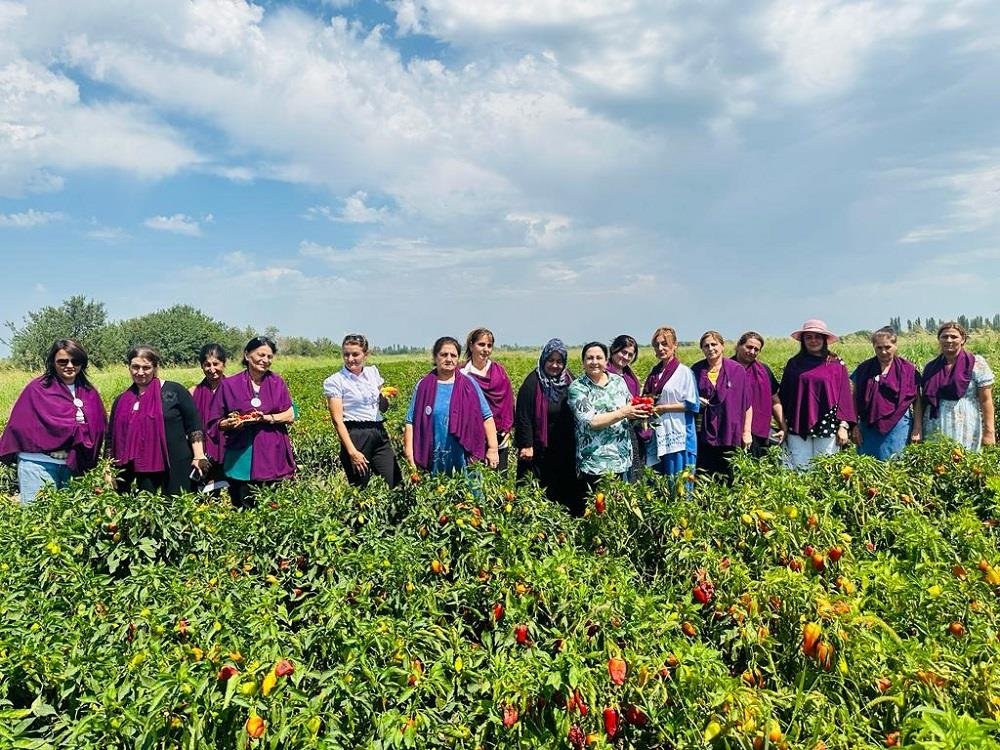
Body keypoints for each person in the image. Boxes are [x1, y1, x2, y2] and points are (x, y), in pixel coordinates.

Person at [0, 339, 107, 504]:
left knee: (71, 523)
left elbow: (99, 427)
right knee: (38, 521)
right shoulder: (37, 389)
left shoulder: (89, 392)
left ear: (82, 363)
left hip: (75, 466)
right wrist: (75, 429)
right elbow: (20, 426)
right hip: (38, 464)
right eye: (62, 361)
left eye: (75, 361)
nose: (70, 365)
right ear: (53, 362)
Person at [107, 346, 208, 496]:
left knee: (176, 508)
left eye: (146, 367)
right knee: (146, 511)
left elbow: (194, 424)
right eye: (135, 367)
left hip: (176, 464)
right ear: (129, 367)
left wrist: (199, 455)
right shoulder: (122, 400)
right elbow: (111, 437)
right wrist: (108, 467)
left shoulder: (174, 391)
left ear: (155, 367)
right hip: (141, 468)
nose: (140, 372)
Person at [209, 336, 296, 506]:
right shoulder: (229, 385)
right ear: (247, 355)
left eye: (269, 357)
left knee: (274, 509)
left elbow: (290, 414)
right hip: (241, 458)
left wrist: (267, 418)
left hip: (273, 454)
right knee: (244, 508)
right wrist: (231, 423)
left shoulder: (277, 382)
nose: (265, 360)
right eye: (261, 355)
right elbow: (215, 421)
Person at [404, 336, 499, 475]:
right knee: (436, 493)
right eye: (443, 355)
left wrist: (493, 448)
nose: (449, 359)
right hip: (433, 459)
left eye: (453, 355)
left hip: (465, 458)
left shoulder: (469, 385)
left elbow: (487, 417)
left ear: (458, 358)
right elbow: (410, 422)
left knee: (467, 495)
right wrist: (410, 456)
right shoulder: (423, 386)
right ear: (435, 357)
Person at [567, 341, 650, 491]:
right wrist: (623, 412)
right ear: (583, 362)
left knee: (619, 509)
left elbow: (630, 408)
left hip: (621, 459)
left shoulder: (618, 381)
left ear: (606, 361)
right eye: (589, 358)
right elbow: (591, 421)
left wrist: (643, 411)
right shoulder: (577, 388)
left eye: (599, 358)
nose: (594, 362)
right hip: (594, 463)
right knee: (598, 508)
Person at [514, 338, 583, 514]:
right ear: (544, 359)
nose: (555, 365)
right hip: (539, 449)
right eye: (551, 360)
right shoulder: (532, 383)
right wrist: (526, 445)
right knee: (538, 487)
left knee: (564, 488)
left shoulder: (569, 380)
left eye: (559, 361)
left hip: (564, 445)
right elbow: (523, 416)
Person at [324, 333, 402, 488]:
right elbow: (337, 420)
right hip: (355, 435)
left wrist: (384, 397)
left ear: (366, 355)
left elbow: (383, 409)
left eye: (355, 354)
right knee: (361, 488)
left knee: (395, 483)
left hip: (378, 431)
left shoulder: (373, 373)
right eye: (346, 354)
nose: (350, 359)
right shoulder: (335, 381)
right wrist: (352, 452)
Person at [778, 319, 856, 469]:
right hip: (798, 422)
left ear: (824, 339)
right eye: (809, 337)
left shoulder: (835, 364)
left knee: (825, 468)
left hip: (827, 422)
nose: (813, 341)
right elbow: (784, 396)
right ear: (803, 341)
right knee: (800, 468)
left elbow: (844, 398)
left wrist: (844, 427)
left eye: (817, 336)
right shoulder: (794, 364)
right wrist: (783, 425)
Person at [921, 321, 995, 451]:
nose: (949, 340)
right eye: (944, 336)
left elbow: (986, 400)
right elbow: (923, 401)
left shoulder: (976, 364)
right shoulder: (931, 367)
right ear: (939, 339)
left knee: (966, 463)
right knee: (937, 465)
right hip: (935, 426)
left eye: (954, 337)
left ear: (963, 339)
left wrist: (989, 431)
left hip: (966, 427)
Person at [850, 327, 922, 459]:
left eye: (888, 347)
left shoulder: (908, 370)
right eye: (879, 347)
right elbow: (853, 399)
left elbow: (917, 401)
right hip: (868, 427)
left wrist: (917, 428)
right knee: (869, 468)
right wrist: (854, 426)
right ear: (873, 347)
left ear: (895, 345)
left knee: (897, 467)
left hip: (899, 427)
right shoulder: (864, 369)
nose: (883, 351)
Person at [690, 331, 752, 480]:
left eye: (714, 344)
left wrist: (746, 432)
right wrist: (696, 401)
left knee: (729, 476)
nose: (710, 348)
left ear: (722, 346)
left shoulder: (737, 370)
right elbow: (688, 399)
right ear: (702, 349)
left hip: (729, 431)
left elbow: (747, 404)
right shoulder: (696, 370)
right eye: (706, 346)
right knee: (704, 475)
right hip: (703, 432)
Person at [642, 327, 699, 482]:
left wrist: (663, 408)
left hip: (679, 434)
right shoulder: (654, 373)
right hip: (659, 434)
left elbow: (693, 404)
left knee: (680, 483)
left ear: (675, 345)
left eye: (664, 344)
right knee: (660, 485)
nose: (660, 348)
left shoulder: (684, 372)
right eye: (657, 345)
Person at [461, 328, 515, 471]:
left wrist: (507, 428)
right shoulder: (462, 374)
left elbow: (508, 402)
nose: (485, 349)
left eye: (489, 346)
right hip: (471, 438)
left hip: (499, 437)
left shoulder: (499, 371)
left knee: (498, 484)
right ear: (471, 346)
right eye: (481, 344)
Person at [732, 331, 784, 456]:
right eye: (749, 347)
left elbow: (774, 400)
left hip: (759, 432)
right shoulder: (726, 368)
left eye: (756, 349)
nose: (752, 352)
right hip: (731, 431)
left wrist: (783, 426)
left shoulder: (764, 371)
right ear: (739, 345)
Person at [189, 343, 228, 492]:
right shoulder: (193, 392)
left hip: (229, 453)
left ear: (224, 364)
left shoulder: (234, 389)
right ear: (201, 366)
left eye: (216, 364)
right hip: (202, 454)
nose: (212, 369)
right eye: (207, 365)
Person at [606, 334, 644, 481]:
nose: (626, 357)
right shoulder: (604, 372)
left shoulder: (630, 376)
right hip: (610, 432)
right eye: (623, 352)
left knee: (633, 473)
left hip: (630, 430)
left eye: (630, 354)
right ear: (614, 350)